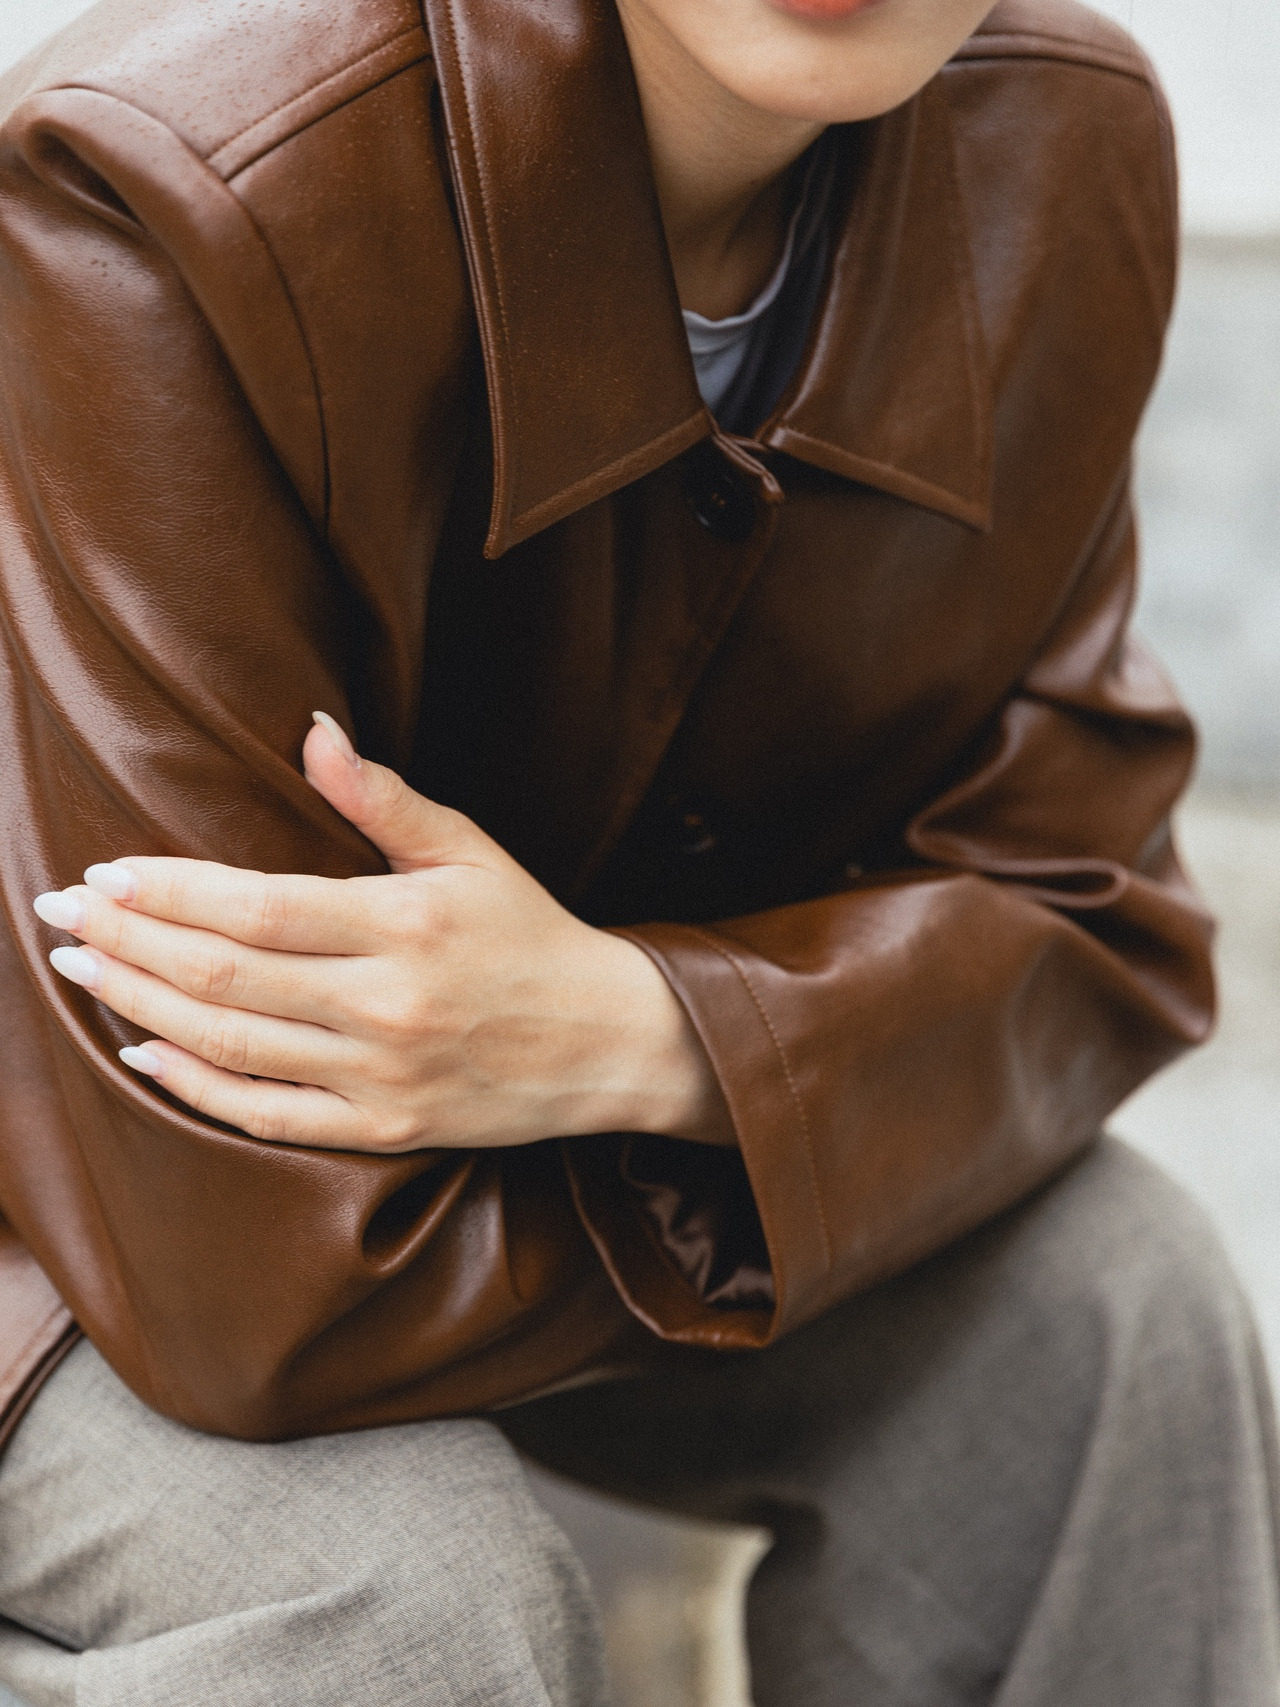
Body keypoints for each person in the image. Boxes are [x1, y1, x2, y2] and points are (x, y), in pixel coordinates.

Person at [0, 0, 1274, 1700]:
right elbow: (244, 1280)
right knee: (403, 1594)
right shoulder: (166, 181)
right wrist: (834, 1116)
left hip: (512, 1167)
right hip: (76, 1218)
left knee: (1117, 1311)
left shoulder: (1057, 136)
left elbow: (1096, 926)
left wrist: (657, 1034)